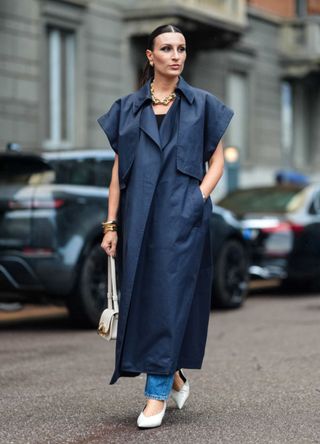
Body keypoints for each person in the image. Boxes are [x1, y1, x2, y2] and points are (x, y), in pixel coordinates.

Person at [98, 24, 234, 429]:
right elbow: (118, 171)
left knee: (168, 300)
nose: (176, 55)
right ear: (150, 56)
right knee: (141, 301)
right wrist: (111, 224)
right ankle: (172, 374)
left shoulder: (203, 104)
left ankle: (156, 394)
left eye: (182, 49)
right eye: (167, 48)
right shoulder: (127, 108)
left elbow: (218, 162)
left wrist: (197, 199)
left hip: (183, 220)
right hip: (138, 220)